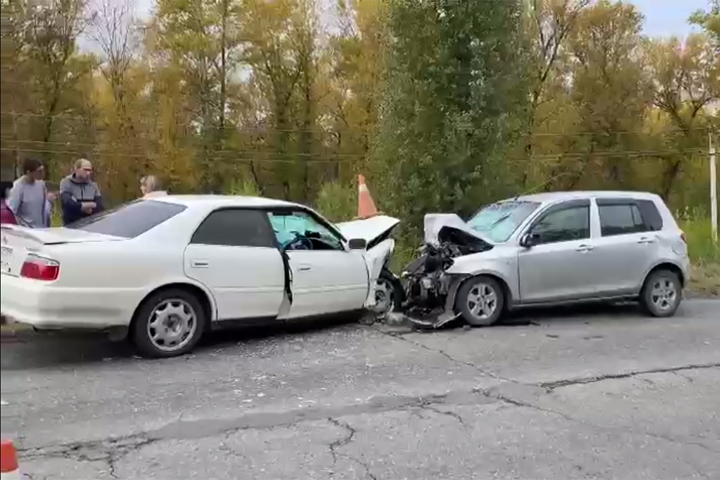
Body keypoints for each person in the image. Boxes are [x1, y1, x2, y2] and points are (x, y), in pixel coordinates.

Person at [6, 158, 54, 228]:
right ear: (29, 172)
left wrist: (49, 202)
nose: (42, 173)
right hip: (26, 231)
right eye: (39, 171)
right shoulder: (18, 188)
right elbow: (11, 212)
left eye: (43, 170)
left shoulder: (41, 184)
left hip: (41, 229)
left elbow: (43, 208)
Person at [59, 158, 104, 225]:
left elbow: (100, 206)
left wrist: (80, 206)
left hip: (90, 224)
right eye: (85, 170)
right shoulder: (66, 182)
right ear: (76, 169)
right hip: (72, 225)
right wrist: (86, 205)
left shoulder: (93, 186)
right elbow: (68, 204)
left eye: (90, 170)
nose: (88, 173)